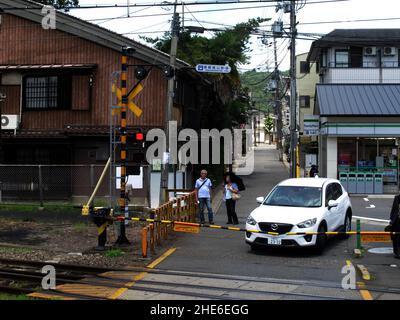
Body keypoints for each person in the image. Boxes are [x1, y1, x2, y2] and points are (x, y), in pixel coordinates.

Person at [388, 194, 400, 259]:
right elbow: (393, 209)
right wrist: (391, 220)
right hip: (397, 220)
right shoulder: (397, 198)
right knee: (395, 237)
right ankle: (396, 253)